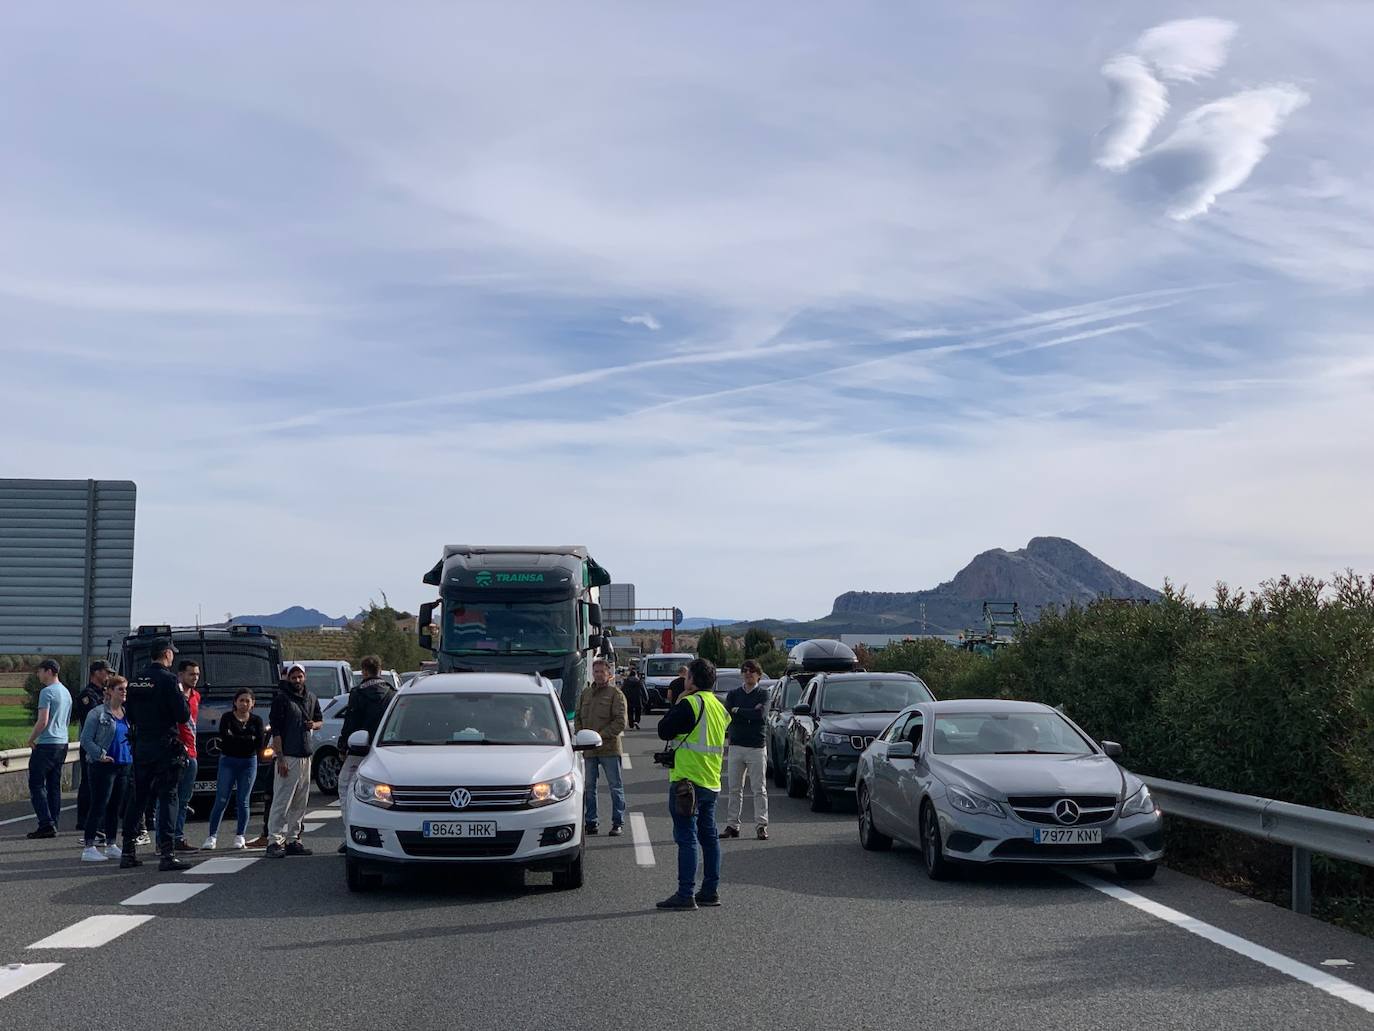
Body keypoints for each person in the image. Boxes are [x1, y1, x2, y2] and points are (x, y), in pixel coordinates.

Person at [655, 657, 729, 910]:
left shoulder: (689, 703)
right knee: (709, 837)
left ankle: (686, 893)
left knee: (686, 837)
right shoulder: (719, 707)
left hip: (687, 781)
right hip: (711, 780)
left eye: (687, 677)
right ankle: (710, 890)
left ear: (692, 680)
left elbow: (664, 730)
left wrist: (678, 700)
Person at [120, 639, 191, 870]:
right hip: (164, 746)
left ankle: (128, 852)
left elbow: (128, 713)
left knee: (138, 798)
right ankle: (167, 854)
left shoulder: (136, 679)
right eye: (172, 654)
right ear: (167, 654)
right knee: (168, 796)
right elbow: (182, 715)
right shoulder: (169, 680)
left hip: (141, 746)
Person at [335, 655, 394, 848]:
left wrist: (343, 746)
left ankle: (350, 834)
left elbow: (350, 722)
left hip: (358, 750)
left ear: (364, 671)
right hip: (384, 750)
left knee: (345, 787)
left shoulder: (358, 693)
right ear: (380, 669)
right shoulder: (392, 693)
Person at [266, 663, 322, 858]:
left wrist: (313, 724)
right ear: (287, 679)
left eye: (300, 677)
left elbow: (319, 720)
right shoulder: (281, 699)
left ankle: (293, 839)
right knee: (282, 801)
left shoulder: (311, 697)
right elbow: (277, 731)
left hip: (306, 755)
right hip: (288, 756)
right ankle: (274, 840)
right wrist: (280, 758)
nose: (297, 680)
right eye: (293, 677)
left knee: (300, 801)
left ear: (304, 677)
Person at [78, 676, 133, 861]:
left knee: (115, 807)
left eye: (125, 689)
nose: (124, 692)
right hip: (103, 766)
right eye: (120, 689)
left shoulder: (126, 713)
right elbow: (86, 739)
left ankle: (111, 843)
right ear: (109, 691)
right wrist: (99, 755)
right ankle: (89, 846)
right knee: (99, 804)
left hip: (123, 763)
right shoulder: (98, 713)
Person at [202, 689, 264, 850]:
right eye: (241, 700)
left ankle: (240, 835)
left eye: (247, 701)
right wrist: (247, 738)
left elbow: (259, 743)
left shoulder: (256, 720)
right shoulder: (227, 718)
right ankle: (212, 836)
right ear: (235, 702)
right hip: (228, 761)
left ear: (253, 704)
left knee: (243, 800)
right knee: (221, 798)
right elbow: (226, 738)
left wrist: (240, 738)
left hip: (249, 762)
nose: (244, 704)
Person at [575, 658, 628, 836]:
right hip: (589, 750)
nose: (598, 675)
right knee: (589, 787)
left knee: (615, 786)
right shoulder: (586, 694)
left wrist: (600, 736)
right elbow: (578, 717)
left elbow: (620, 721)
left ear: (609, 673)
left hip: (609, 749)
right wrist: (582, 735)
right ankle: (591, 822)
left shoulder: (616, 694)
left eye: (601, 672)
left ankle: (617, 822)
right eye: (595, 671)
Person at [721, 659, 770, 841]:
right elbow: (728, 715)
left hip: (756, 747)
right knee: (734, 788)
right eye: (745, 671)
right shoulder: (733, 694)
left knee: (759, 789)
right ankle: (732, 825)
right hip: (736, 746)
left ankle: (761, 825)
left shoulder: (763, 694)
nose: (748, 674)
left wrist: (739, 711)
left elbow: (761, 716)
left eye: (752, 671)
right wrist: (748, 712)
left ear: (759, 674)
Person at [26, 659, 72, 839]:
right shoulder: (66, 692)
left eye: (40, 671)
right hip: (62, 742)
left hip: (46, 743)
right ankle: (54, 821)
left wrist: (31, 739)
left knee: (36, 784)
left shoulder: (47, 692)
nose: (38, 674)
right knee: (54, 785)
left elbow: (43, 721)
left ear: (50, 671)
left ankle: (45, 823)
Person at [72, 660, 112, 833]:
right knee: (88, 783)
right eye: (106, 672)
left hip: (104, 743)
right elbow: (95, 716)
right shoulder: (87, 695)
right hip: (91, 743)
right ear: (96, 672)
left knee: (102, 783)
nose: (108, 676)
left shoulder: (103, 693)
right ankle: (84, 820)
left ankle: (100, 820)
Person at [171, 660, 202, 852]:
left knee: (184, 799)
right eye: (191, 674)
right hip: (175, 752)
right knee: (169, 797)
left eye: (197, 674)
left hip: (192, 752)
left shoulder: (196, 696)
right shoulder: (174, 696)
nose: (195, 677)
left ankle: (178, 837)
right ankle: (164, 839)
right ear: (181, 675)